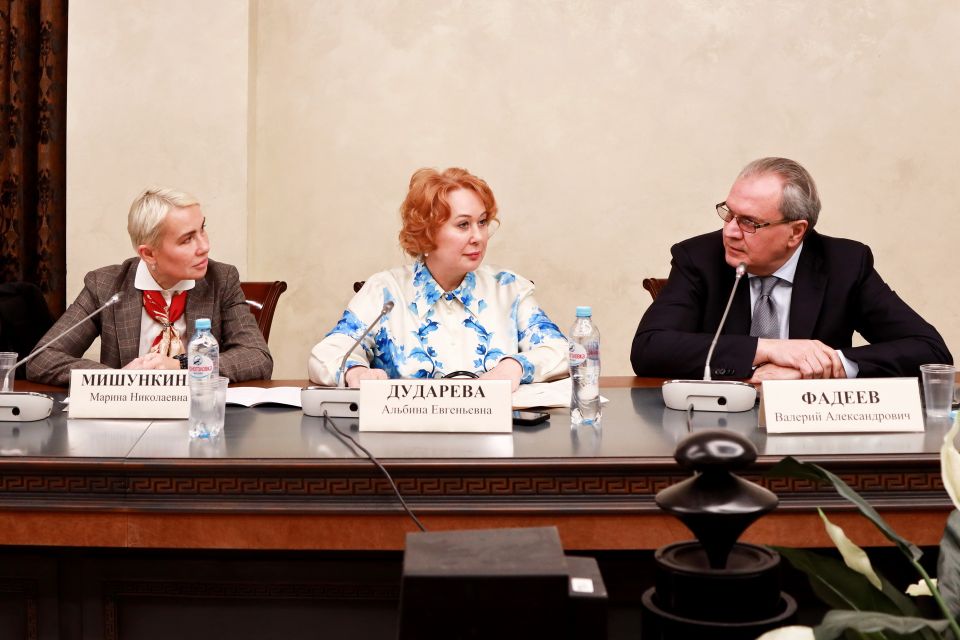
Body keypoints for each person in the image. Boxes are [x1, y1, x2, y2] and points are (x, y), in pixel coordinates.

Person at [631, 157, 951, 382]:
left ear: (796, 232)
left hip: (814, 430)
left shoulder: (844, 264)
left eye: (749, 222)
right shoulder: (699, 258)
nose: (730, 231)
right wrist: (771, 350)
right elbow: (649, 349)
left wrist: (824, 366)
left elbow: (930, 351)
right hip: (719, 424)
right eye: (729, 213)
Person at [308, 167, 567, 390]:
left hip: (496, 431)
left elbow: (561, 350)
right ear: (428, 232)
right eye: (463, 225)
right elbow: (326, 355)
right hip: (406, 433)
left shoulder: (508, 289)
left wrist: (516, 366)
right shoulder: (385, 291)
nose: (479, 237)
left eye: (483, 222)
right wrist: (355, 372)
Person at [27, 187, 273, 386]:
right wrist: (117, 379)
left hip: (199, 416)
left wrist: (182, 366)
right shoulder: (105, 286)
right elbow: (42, 359)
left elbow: (256, 356)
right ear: (149, 254)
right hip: (128, 419)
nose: (204, 246)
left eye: (202, 230)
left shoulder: (221, 280)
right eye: (187, 239)